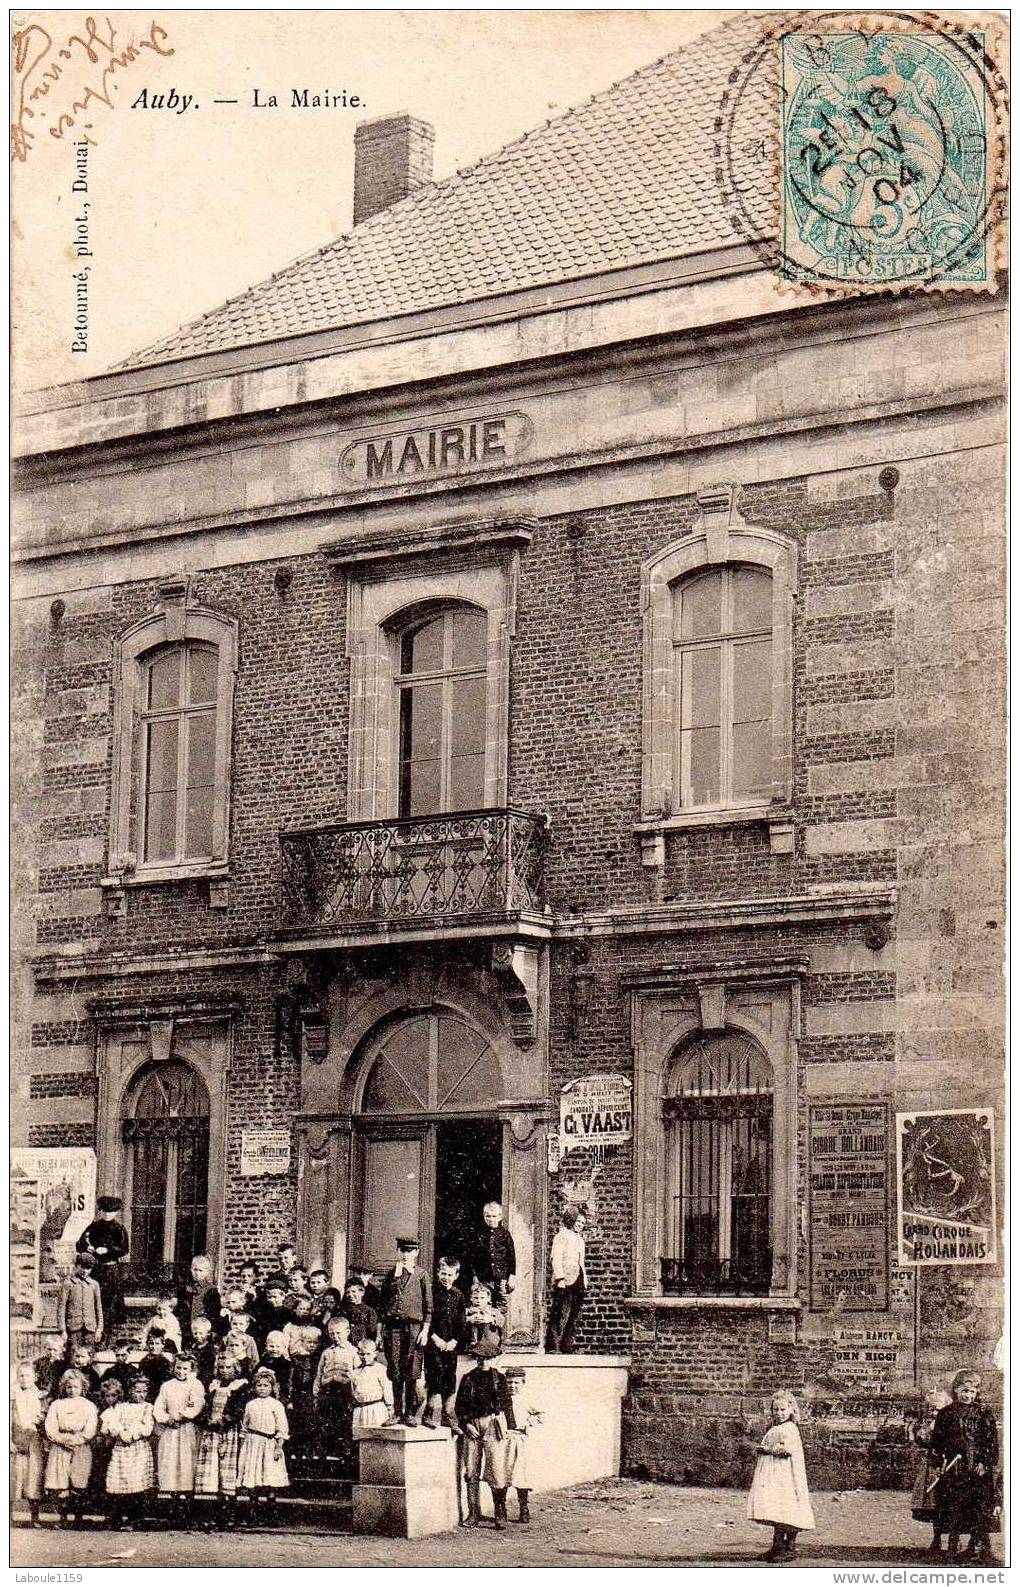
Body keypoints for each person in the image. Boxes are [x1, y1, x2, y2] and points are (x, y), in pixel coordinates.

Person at [930, 1369, 999, 1563]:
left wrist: (985, 1462)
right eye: (964, 1391)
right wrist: (936, 1463)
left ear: (977, 1393)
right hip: (954, 1466)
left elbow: (991, 1441)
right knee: (953, 1504)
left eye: (972, 1392)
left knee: (977, 1505)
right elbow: (937, 1441)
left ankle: (975, 1545)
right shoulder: (946, 1413)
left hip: (977, 1468)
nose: (967, 1395)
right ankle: (953, 1544)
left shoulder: (984, 1412)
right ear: (956, 1390)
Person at [747, 1389, 816, 1562]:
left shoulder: (790, 1428)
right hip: (777, 1474)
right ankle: (777, 1546)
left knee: (789, 1507)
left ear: (791, 1410)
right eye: (775, 1410)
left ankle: (789, 1547)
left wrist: (768, 1449)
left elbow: (786, 1450)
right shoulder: (776, 1427)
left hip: (788, 1475)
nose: (779, 1413)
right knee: (778, 1508)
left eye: (783, 1410)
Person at [455, 1337, 516, 1531]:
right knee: (471, 1470)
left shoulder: (499, 1378)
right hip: (473, 1427)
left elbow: (507, 1405)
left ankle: (500, 1512)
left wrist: (511, 1426)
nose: (484, 1362)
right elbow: (459, 1406)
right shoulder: (468, 1378)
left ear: (494, 1358)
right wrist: (466, 1424)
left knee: (496, 1470)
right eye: (480, 1358)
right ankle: (473, 1513)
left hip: (493, 1425)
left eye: (488, 1358)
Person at [381, 1236, 432, 1426]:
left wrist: (425, 1330)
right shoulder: (391, 1274)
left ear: (416, 1252)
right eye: (403, 1250)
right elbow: (383, 1303)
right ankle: (396, 1412)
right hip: (393, 1327)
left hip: (414, 1328)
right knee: (395, 1368)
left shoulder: (421, 1274)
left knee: (411, 1369)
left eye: (410, 1251)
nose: (406, 1255)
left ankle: (410, 1413)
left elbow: (428, 1306)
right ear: (398, 1252)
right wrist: (381, 1330)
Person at [194, 1353, 247, 1530]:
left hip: (228, 1433)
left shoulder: (239, 1387)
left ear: (236, 1369)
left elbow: (239, 1410)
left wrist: (224, 1420)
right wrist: (207, 1420)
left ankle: (227, 1515)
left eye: (228, 1367)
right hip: (212, 1432)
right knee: (211, 1471)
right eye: (221, 1367)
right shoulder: (213, 1386)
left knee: (227, 1472)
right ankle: (209, 1514)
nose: (224, 1371)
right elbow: (204, 1407)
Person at [152, 1351, 205, 1521]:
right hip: (171, 1429)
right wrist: (167, 1419)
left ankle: (188, 1506)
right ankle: (173, 1505)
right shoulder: (167, 1386)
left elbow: (196, 1405)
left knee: (187, 1464)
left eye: (186, 1369)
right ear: (173, 1367)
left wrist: (182, 1416)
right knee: (171, 1464)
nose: (182, 1371)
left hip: (187, 1428)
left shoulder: (195, 1385)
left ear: (192, 1369)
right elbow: (159, 1406)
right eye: (179, 1367)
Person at [44, 1368, 99, 1527]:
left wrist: (78, 1439)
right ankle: (62, 1518)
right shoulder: (57, 1404)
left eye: (75, 1387)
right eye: (69, 1387)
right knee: (60, 1482)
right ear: (64, 1387)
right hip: (60, 1446)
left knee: (78, 1482)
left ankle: (78, 1518)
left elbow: (90, 1428)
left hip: (80, 1446)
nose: (72, 1390)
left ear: (83, 1387)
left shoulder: (88, 1405)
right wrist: (62, 1440)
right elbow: (50, 1426)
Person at [102, 1375, 155, 1530]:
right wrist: (120, 1434)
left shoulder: (147, 1407)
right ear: (129, 1391)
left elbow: (147, 1428)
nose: (141, 1395)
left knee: (136, 1483)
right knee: (118, 1482)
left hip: (138, 1449)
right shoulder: (120, 1407)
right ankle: (116, 1518)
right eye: (137, 1391)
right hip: (121, 1449)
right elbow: (111, 1424)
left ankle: (135, 1519)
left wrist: (131, 1435)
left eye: (144, 1391)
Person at [237, 1367, 289, 1522]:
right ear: (254, 1387)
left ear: (272, 1387)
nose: (262, 1388)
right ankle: (252, 1514)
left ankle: (271, 1513)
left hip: (269, 1444)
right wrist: (243, 1445)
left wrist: (279, 1447)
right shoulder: (250, 1404)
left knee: (269, 1478)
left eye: (266, 1385)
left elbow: (283, 1428)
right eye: (259, 1385)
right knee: (254, 1478)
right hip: (253, 1444)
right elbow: (244, 1426)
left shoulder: (276, 1405)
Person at [76, 1196, 129, 1340]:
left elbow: (124, 1249)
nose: (107, 1214)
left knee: (109, 1305)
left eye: (111, 1212)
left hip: (111, 1271)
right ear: (100, 1211)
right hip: (95, 1271)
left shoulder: (119, 1229)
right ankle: (93, 1334)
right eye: (104, 1211)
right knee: (93, 1301)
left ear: (116, 1212)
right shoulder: (94, 1227)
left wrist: (108, 1250)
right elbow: (80, 1243)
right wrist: (90, 1248)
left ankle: (107, 1336)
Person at [312, 1315, 360, 1474]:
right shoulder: (326, 1352)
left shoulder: (354, 1351)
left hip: (344, 1392)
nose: (335, 1337)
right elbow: (319, 1373)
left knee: (344, 1424)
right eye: (332, 1334)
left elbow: (358, 1374)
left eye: (339, 1333)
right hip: (327, 1391)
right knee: (325, 1423)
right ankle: (323, 1458)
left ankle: (345, 1457)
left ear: (347, 1331)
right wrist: (316, 1392)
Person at [424, 1256, 467, 1428]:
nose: (446, 1278)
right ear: (437, 1273)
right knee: (435, 1374)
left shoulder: (458, 1295)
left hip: (451, 1345)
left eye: (450, 1275)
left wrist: (454, 1341)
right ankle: (428, 1413)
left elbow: (462, 1322)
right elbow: (426, 1317)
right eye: (443, 1274)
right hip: (434, 1342)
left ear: (456, 1275)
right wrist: (435, 1338)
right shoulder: (431, 1293)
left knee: (449, 1377)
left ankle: (447, 1415)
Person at [910, 1387, 953, 1555]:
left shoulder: (950, 1422)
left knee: (948, 1502)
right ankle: (936, 1537)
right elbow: (922, 1440)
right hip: (932, 1465)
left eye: (938, 1409)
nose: (935, 1412)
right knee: (933, 1501)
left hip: (947, 1464)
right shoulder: (928, 1424)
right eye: (932, 1409)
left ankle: (952, 1538)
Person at [503, 1365, 541, 1523]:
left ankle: (524, 1508)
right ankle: (501, 1510)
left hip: (520, 1439)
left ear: (523, 1383)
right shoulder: (501, 1399)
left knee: (521, 1475)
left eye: (516, 1383)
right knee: (502, 1474)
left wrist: (528, 1423)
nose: (512, 1386)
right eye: (509, 1383)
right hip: (504, 1439)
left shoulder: (526, 1400)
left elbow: (540, 1414)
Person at [11, 1360, 47, 1528]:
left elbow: (44, 1417)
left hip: (34, 1441)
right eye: (21, 1376)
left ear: (35, 1377)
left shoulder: (40, 1396)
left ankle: (35, 1516)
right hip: (16, 1441)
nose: (24, 1379)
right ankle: (9, 1514)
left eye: (27, 1375)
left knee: (34, 1476)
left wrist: (40, 1420)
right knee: (14, 1477)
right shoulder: (12, 1395)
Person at [546, 1207, 587, 1353]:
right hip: (565, 1280)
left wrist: (584, 1280)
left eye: (583, 1222)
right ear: (570, 1220)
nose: (580, 1225)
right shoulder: (561, 1236)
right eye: (578, 1221)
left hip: (578, 1279)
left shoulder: (580, 1240)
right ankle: (553, 1346)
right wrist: (560, 1278)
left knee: (574, 1314)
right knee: (560, 1313)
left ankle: (566, 1345)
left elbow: (580, 1261)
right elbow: (555, 1258)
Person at [472, 1202, 516, 1312]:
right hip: (484, 1278)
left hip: (501, 1278)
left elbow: (511, 1256)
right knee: (483, 1306)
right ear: (484, 1216)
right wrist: (475, 1275)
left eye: (494, 1216)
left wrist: (512, 1276)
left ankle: (497, 1327)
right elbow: (473, 1257)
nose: (491, 1219)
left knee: (502, 1306)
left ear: (500, 1216)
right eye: (488, 1216)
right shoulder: (480, 1234)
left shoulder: (505, 1234)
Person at [58, 1250, 104, 1353]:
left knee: (88, 1356)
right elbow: (61, 1308)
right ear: (76, 1266)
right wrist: (63, 1330)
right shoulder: (68, 1283)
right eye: (82, 1267)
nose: (85, 1271)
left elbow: (98, 1308)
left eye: (88, 1268)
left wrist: (99, 1329)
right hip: (73, 1329)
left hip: (90, 1329)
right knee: (73, 1356)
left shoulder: (94, 1285)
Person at [177, 1255, 227, 1346]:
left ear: (206, 1272)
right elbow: (180, 1308)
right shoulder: (185, 1288)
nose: (197, 1273)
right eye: (195, 1270)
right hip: (187, 1328)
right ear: (191, 1270)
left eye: (200, 1270)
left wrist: (213, 1329)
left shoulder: (211, 1290)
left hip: (203, 1329)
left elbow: (214, 1313)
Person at [350, 1336, 393, 1433]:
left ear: (375, 1354)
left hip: (376, 1408)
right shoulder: (355, 1371)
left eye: (368, 1354)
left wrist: (390, 1406)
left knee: (377, 1434)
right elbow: (353, 1390)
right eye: (362, 1354)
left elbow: (386, 1388)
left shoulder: (380, 1369)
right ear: (358, 1354)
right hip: (360, 1410)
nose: (365, 1357)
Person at [464, 1278, 504, 1354]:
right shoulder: (467, 1311)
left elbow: (501, 1320)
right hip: (471, 1342)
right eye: (476, 1298)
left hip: (489, 1341)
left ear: (488, 1299)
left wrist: (491, 1319)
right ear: (471, 1298)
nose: (479, 1301)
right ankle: (473, 1344)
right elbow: (458, 1320)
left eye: (482, 1298)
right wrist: (469, 1319)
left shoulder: (493, 1311)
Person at [138, 1328, 176, 1399]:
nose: (154, 1347)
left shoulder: (166, 1363)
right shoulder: (143, 1361)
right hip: (146, 1395)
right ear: (147, 1344)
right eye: (151, 1343)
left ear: (163, 1345)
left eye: (157, 1343)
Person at [340, 1276, 379, 1346]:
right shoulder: (343, 1310)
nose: (350, 1295)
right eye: (347, 1292)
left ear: (362, 1292)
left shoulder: (369, 1311)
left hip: (363, 1345)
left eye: (353, 1291)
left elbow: (372, 1331)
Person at [261, 1332, 292, 1407]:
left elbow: (285, 1380)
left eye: (278, 1347)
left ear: (284, 1348)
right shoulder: (264, 1360)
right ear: (266, 1346)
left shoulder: (286, 1363)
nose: (274, 1349)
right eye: (271, 1346)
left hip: (279, 1392)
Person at [190, 1316, 219, 1388]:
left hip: (205, 1376)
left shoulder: (210, 1349)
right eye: (195, 1333)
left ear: (208, 1333)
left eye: (201, 1333)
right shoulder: (192, 1347)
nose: (198, 1336)